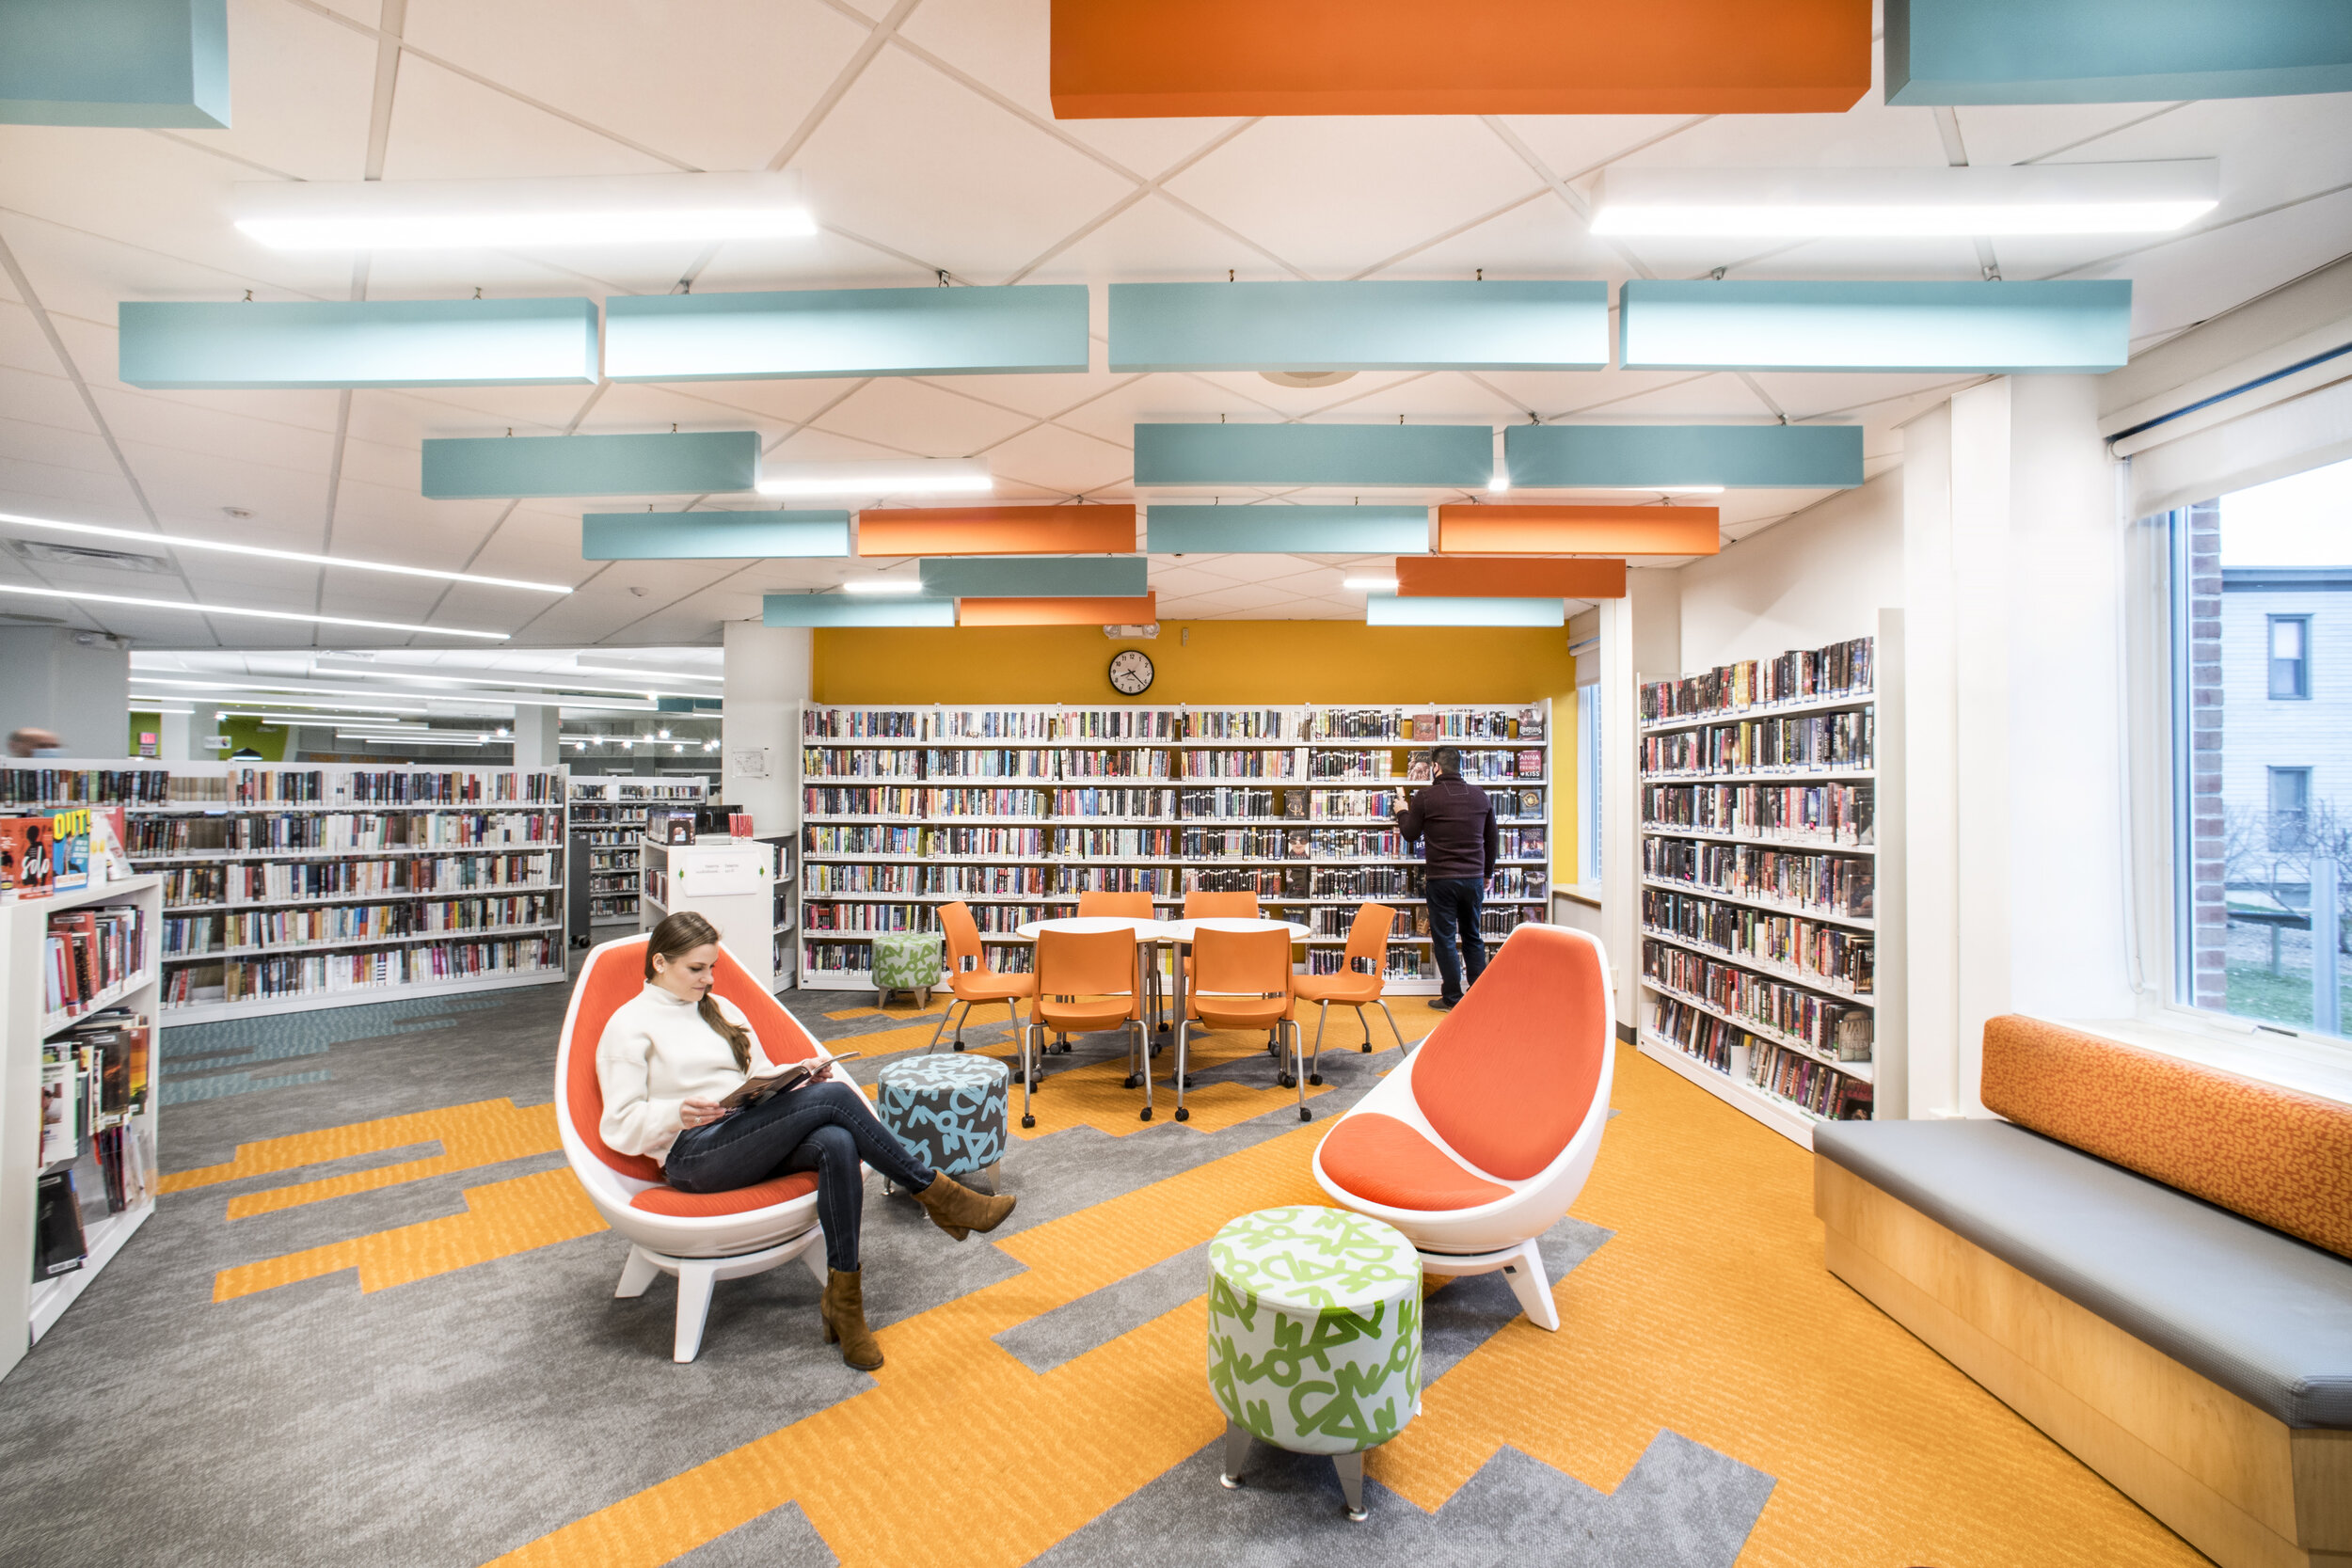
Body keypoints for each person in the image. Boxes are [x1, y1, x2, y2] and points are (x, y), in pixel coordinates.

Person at [596, 911, 1014, 1370]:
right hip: (692, 1155)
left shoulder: (720, 1011)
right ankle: (940, 1195)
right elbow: (619, 1124)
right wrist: (674, 1113)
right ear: (659, 962)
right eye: (696, 969)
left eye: (712, 968)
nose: (708, 979)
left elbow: (757, 1078)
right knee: (833, 1100)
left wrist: (798, 1079)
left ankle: (845, 1304)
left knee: (836, 1139)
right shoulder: (628, 1025)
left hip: (744, 1132)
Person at [1392, 745, 1499, 1011]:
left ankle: (1452, 997)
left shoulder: (1426, 797)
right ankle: (1481, 995)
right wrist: (1487, 873)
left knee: (1446, 938)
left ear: (1437, 767)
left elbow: (1410, 833)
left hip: (1442, 879)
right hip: (1473, 878)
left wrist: (1402, 810)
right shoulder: (1480, 796)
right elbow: (1492, 839)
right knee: (1473, 936)